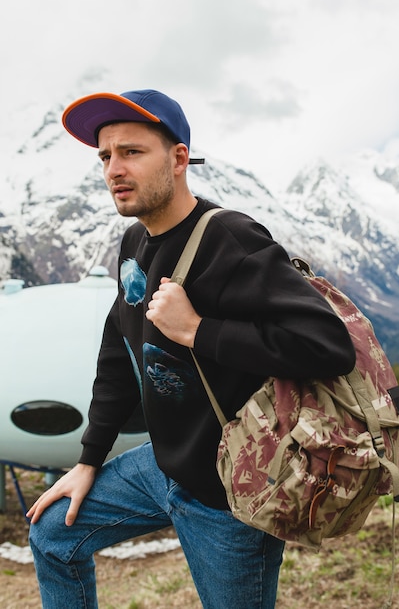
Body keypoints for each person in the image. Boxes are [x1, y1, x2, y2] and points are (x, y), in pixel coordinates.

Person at [27, 88, 356, 609]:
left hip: (230, 495)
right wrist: (89, 460)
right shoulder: (134, 242)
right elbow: (120, 352)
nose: (114, 168)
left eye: (132, 152)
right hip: (161, 467)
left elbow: (329, 346)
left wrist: (197, 330)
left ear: (179, 158)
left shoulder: (232, 240)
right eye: (105, 156)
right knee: (51, 535)